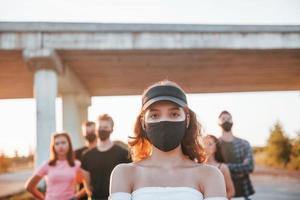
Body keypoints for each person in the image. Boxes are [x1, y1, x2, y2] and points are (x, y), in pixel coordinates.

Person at [109, 80, 227, 200]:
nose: (164, 121)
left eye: (174, 114)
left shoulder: (210, 175)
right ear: (143, 122)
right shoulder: (124, 173)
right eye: (154, 115)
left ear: (187, 120)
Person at [25, 132, 91, 200]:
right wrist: (44, 199)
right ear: (53, 147)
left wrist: (75, 197)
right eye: (57, 143)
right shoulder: (48, 165)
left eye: (63, 142)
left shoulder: (76, 164)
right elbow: (29, 186)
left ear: (69, 144)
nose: (60, 146)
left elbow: (88, 184)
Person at [81, 114, 131, 200]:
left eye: (105, 127)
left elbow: (128, 180)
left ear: (112, 129)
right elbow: (87, 185)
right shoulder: (87, 156)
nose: (102, 130)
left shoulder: (124, 154)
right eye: (100, 127)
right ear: (96, 130)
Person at [217, 111, 255, 200]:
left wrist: (224, 167)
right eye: (223, 119)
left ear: (232, 122)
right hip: (223, 193)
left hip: (243, 193)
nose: (226, 121)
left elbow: (249, 167)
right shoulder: (215, 144)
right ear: (219, 123)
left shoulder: (244, 143)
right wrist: (240, 168)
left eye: (229, 119)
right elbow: (213, 166)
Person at [204, 135, 235, 199]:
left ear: (216, 148)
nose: (205, 147)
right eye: (203, 143)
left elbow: (231, 192)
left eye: (210, 144)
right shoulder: (196, 165)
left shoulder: (222, 167)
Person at [75, 121, 97, 200]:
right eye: (87, 132)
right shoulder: (77, 153)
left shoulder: (103, 152)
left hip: (100, 194)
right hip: (81, 197)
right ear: (83, 133)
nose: (89, 134)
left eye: (92, 131)